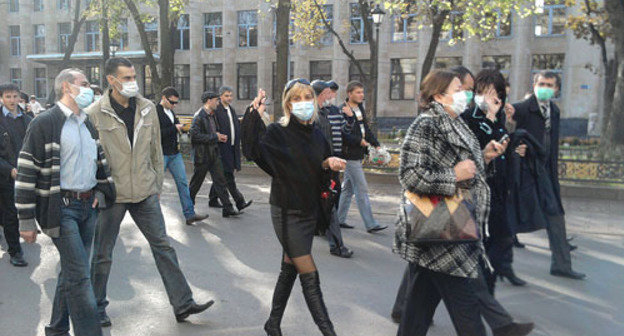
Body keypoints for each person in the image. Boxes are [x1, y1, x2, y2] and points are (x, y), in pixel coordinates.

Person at [394, 69, 531, 336]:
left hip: (451, 221)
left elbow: (468, 169)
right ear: (438, 95)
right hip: (441, 224)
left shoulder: (456, 122)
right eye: (458, 89)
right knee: (466, 308)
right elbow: (410, 175)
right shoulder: (426, 125)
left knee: (418, 311)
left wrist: (485, 157)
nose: (464, 95)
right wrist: (453, 176)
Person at [88, 58, 214, 327]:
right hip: (113, 194)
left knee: (164, 246)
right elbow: (90, 157)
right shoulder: (95, 113)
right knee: (102, 254)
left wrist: (156, 184)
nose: (133, 82)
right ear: (111, 80)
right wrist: (98, 189)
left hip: (145, 191)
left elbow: (157, 150)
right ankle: (97, 307)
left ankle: (183, 303)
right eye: (127, 77)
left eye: (134, 76)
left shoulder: (146, 108)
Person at [16, 68, 116, 336]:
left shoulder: (86, 122)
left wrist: (101, 191)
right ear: (66, 87)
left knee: (72, 272)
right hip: (60, 209)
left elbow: (98, 162)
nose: (89, 88)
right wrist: (26, 220)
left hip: (88, 208)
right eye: (83, 84)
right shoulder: (44, 123)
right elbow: (26, 172)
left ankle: (56, 329)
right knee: (81, 276)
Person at [242, 79, 345, 336]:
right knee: (308, 272)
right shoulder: (278, 132)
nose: (303, 103)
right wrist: (254, 114)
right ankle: (329, 332)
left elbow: (312, 168)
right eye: (296, 99)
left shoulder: (318, 134)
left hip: (309, 210)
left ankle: (273, 323)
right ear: (289, 104)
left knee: (290, 268)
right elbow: (254, 150)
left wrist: (327, 163)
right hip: (287, 211)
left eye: (307, 97)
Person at [511, 71, 586, 280]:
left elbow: (551, 143)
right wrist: (517, 148)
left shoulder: (553, 109)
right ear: (534, 85)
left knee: (555, 215)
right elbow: (504, 132)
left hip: (544, 172)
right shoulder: (521, 108)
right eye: (541, 83)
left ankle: (561, 264)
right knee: (507, 217)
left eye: (549, 85)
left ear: (556, 89)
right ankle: (495, 264)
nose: (544, 87)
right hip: (524, 172)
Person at [312, 79, 354, 258]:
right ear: (322, 94)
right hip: (321, 167)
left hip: (327, 165)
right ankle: (336, 245)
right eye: (329, 92)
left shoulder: (326, 112)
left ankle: (318, 229)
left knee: (326, 203)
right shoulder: (314, 115)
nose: (332, 96)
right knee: (329, 206)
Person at [336, 81, 386, 233]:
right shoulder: (343, 109)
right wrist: (359, 141)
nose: (361, 95)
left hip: (358, 154)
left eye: (362, 92)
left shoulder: (360, 108)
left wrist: (376, 144)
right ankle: (370, 224)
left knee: (347, 189)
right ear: (349, 93)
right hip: (349, 155)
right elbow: (343, 133)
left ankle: (338, 220)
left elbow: (365, 129)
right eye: (358, 92)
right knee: (362, 188)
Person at [156, 86, 208, 225]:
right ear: (163, 98)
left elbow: (175, 126)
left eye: (176, 103)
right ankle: (154, 220)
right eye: (172, 102)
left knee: (183, 183)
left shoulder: (171, 112)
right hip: (161, 153)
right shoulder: (155, 112)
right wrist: (174, 128)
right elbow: (156, 134)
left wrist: (180, 127)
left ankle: (190, 214)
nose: (174, 105)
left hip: (174, 153)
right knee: (157, 187)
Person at [189, 91, 241, 217]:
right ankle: (188, 206)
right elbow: (194, 136)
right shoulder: (199, 116)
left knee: (220, 181)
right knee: (196, 184)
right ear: (209, 101)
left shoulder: (212, 115)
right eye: (216, 100)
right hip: (202, 157)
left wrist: (219, 137)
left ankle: (227, 208)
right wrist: (214, 137)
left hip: (214, 154)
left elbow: (213, 133)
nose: (218, 102)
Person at [0, 83, 32, 267]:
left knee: (26, 210)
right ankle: (15, 251)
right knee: (11, 214)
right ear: (2, 98)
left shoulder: (28, 120)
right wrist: (9, 170)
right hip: (7, 177)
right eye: (8, 97)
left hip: (27, 175)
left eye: (15, 96)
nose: (12, 100)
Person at [208, 86, 253, 212]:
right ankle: (239, 201)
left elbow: (235, 125)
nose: (229, 98)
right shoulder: (217, 110)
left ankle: (212, 198)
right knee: (228, 176)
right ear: (220, 96)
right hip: (222, 148)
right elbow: (212, 127)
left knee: (221, 176)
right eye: (226, 95)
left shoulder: (231, 109)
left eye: (230, 95)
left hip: (232, 147)